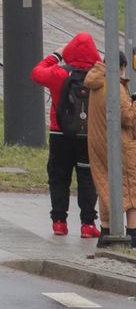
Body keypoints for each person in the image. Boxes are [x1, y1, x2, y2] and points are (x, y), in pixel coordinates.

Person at [32, 33, 101, 237]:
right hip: (89, 135)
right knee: (87, 177)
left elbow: (36, 72)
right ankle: (88, 224)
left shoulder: (59, 74)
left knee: (59, 176)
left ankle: (59, 222)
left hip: (59, 132)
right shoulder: (98, 77)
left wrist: (56, 55)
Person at [86, 52, 136, 242]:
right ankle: (132, 234)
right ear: (122, 66)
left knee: (106, 187)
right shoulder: (114, 86)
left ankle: (105, 233)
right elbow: (128, 117)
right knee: (132, 189)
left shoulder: (96, 83)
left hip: (99, 143)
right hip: (121, 145)